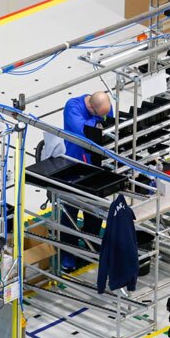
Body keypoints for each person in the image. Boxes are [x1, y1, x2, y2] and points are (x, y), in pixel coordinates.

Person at [61, 91, 113, 270]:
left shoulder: (103, 108)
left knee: (94, 208)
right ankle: (68, 254)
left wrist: (100, 120)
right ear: (91, 107)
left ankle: (90, 245)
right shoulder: (72, 107)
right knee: (70, 212)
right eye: (100, 114)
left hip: (95, 165)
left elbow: (110, 125)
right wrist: (98, 122)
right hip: (73, 166)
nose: (104, 116)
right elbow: (84, 133)